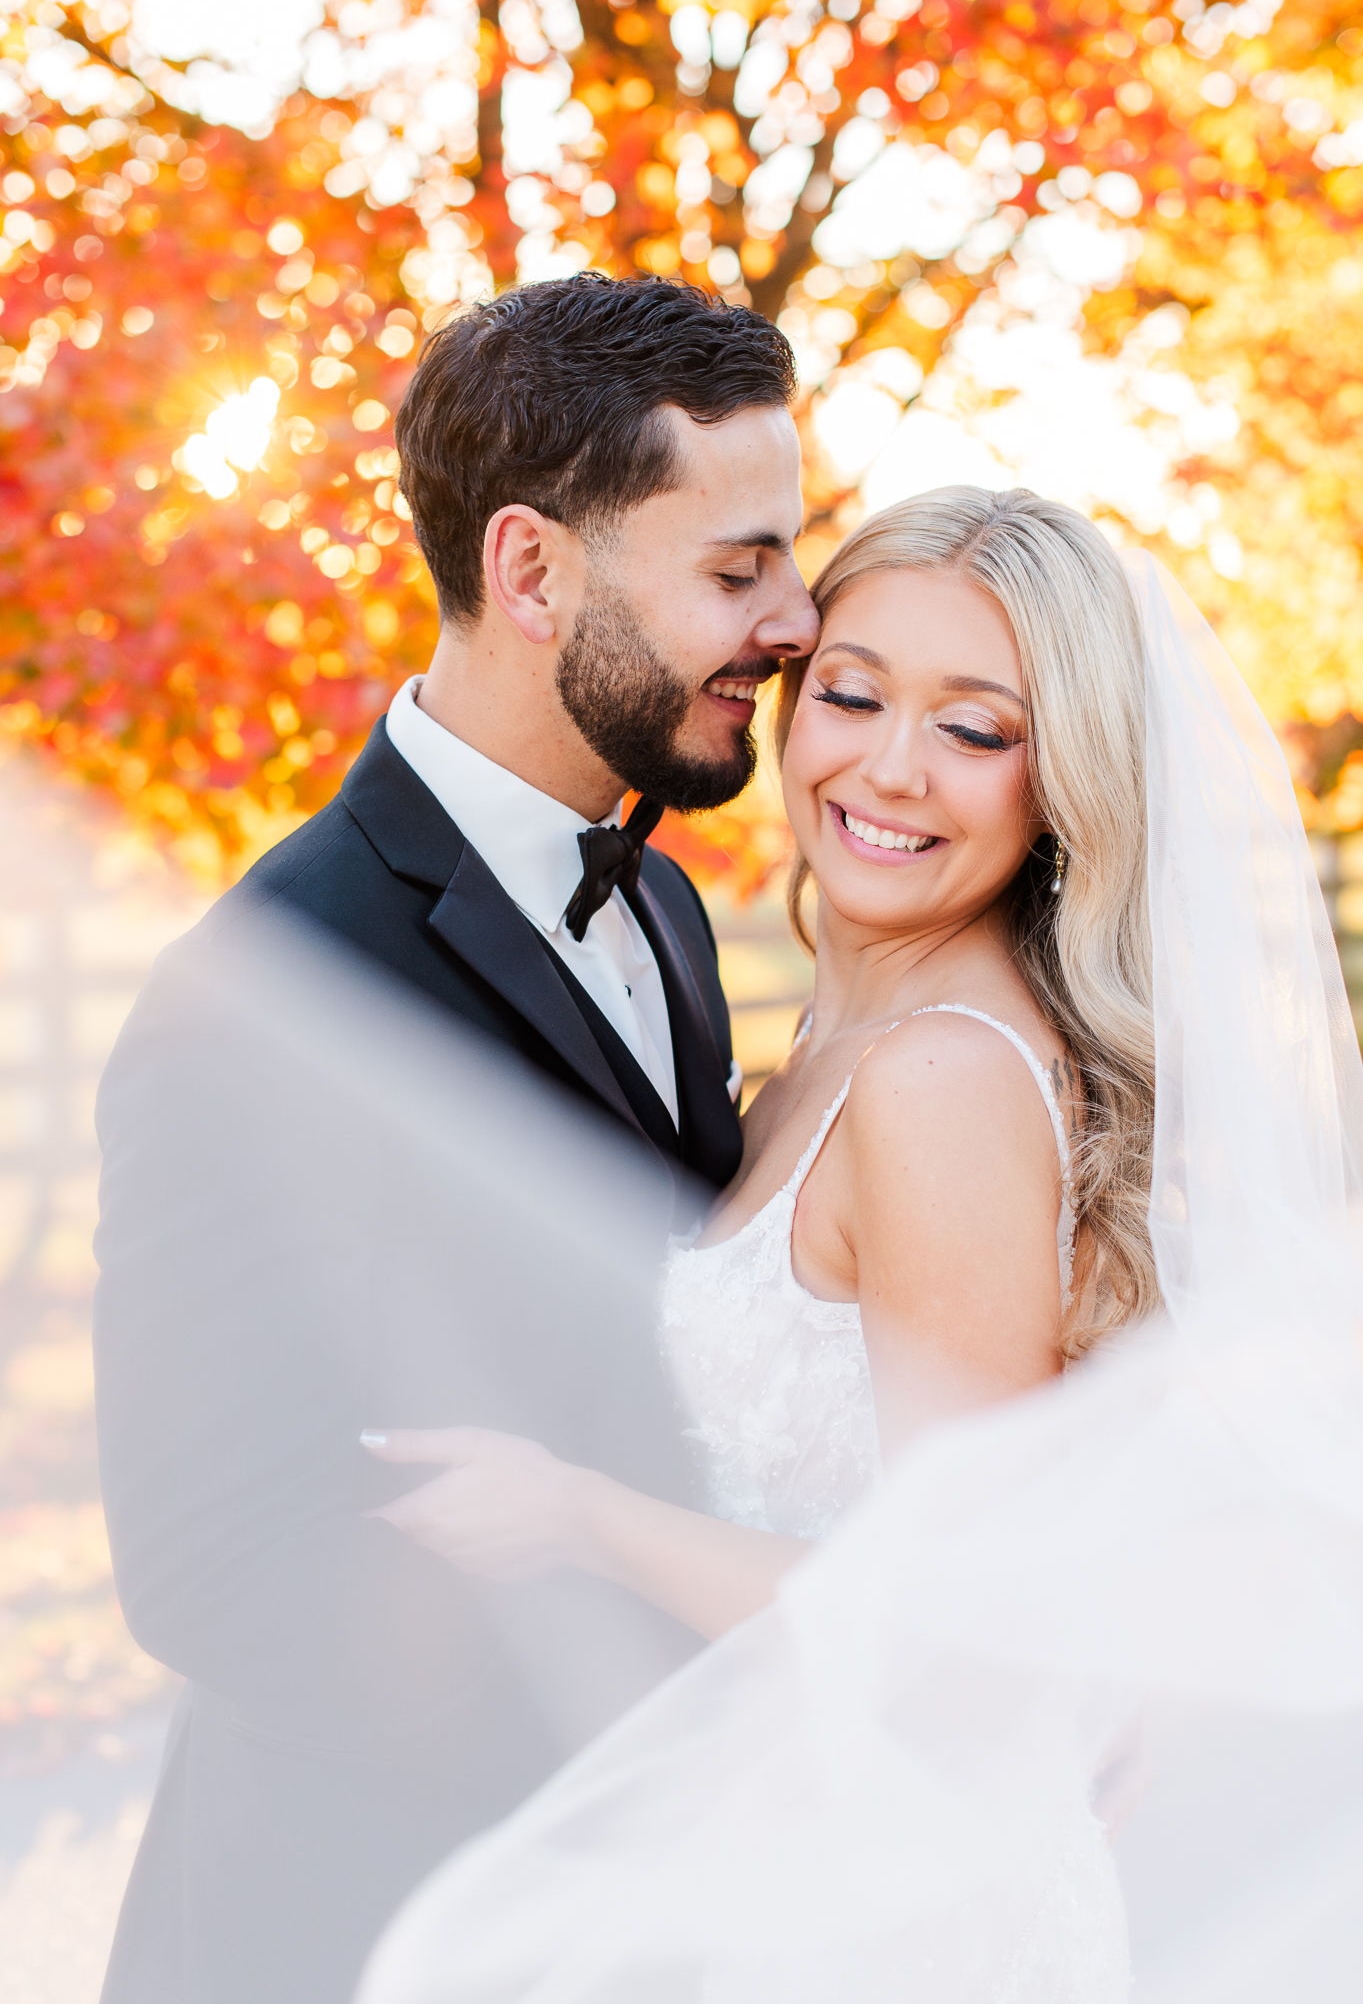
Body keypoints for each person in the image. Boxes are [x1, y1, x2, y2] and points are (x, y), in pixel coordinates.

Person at [355, 488, 1363, 2002]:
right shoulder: (838, 1027)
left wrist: (577, 1514)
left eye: (978, 728)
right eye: (852, 694)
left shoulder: (942, 1078)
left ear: (1063, 779)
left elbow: (962, 1627)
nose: (890, 768)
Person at [93, 274, 818, 2004]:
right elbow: (218, 1571)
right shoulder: (263, 1002)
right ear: (530, 571)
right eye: (737, 570)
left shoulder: (668, 911)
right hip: (381, 1925)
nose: (796, 620)